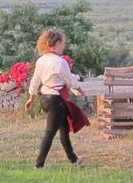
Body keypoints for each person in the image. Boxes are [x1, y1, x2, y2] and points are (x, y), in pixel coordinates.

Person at [24, 29, 87, 168]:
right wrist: (81, 90)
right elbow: (70, 81)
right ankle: (38, 165)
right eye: (63, 44)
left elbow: (35, 81)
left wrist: (31, 98)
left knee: (64, 129)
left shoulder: (41, 61)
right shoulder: (60, 62)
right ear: (57, 43)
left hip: (46, 99)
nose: (64, 47)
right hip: (56, 101)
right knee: (50, 132)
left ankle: (74, 160)